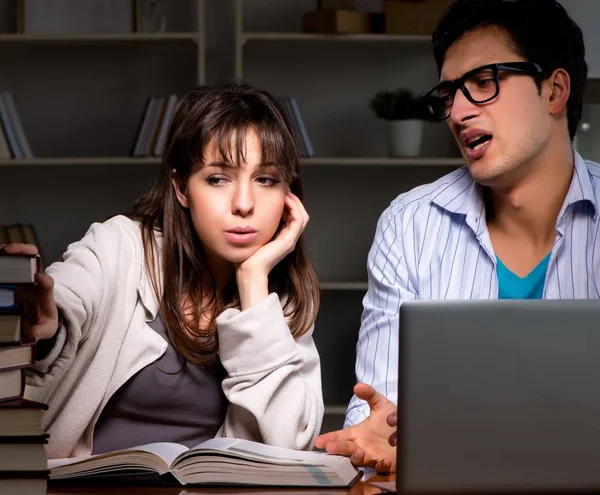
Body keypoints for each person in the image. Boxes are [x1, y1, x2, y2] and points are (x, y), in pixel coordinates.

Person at [315, 0, 600, 473]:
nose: (458, 112)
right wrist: (378, 444)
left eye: (484, 84)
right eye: (449, 95)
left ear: (554, 91)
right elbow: (377, 411)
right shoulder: (410, 224)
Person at [4, 82, 324, 459]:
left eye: (266, 179)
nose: (243, 204)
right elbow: (69, 299)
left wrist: (253, 281)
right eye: (218, 179)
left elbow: (287, 446)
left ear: (290, 195)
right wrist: (47, 323)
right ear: (181, 188)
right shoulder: (120, 245)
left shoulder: (280, 301)